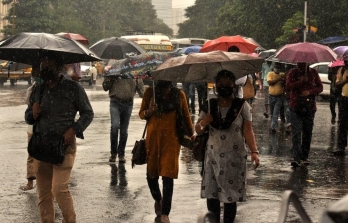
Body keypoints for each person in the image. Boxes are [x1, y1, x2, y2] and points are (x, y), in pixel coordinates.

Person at [25, 54, 94, 222]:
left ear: (58, 68)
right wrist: (32, 113)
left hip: (64, 145)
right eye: (42, 66)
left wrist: (74, 129)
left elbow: (88, 113)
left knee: (59, 189)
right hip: (42, 146)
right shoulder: (37, 90)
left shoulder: (73, 88)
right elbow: (28, 117)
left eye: (48, 66)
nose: (44, 70)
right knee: (44, 193)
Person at [195, 70, 260, 223]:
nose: (224, 87)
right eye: (221, 84)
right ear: (216, 86)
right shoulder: (209, 105)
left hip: (234, 157)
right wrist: (204, 122)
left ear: (233, 85)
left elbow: (248, 130)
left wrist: (254, 151)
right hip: (213, 157)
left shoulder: (242, 106)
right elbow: (197, 129)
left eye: (228, 84)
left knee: (230, 196)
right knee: (212, 195)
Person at [139, 80, 193, 223]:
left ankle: (165, 212)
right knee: (151, 174)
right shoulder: (150, 92)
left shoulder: (179, 94)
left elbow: (186, 116)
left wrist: (192, 134)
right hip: (153, 139)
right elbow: (141, 113)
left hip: (172, 140)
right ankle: (158, 198)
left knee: (167, 175)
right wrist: (149, 111)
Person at [286, 63, 323, 167]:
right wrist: (300, 82)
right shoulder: (293, 72)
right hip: (295, 106)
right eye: (298, 62)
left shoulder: (313, 72)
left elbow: (320, 88)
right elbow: (288, 86)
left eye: (302, 62)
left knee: (307, 132)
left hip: (309, 107)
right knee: (296, 133)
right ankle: (296, 157)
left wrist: (310, 91)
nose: (300, 64)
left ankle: (304, 156)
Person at [105, 75, 144, 163]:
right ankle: (113, 153)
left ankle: (121, 154)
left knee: (124, 130)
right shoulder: (114, 71)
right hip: (115, 102)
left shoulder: (134, 72)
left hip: (128, 103)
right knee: (114, 127)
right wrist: (111, 79)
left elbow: (141, 90)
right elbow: (105, 87)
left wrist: (147, 96)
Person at [20, 64, 41, 191]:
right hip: (33, 127)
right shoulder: (33, 89)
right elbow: (28, 111)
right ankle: (30, 181)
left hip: (48, 128)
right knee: (31, 153)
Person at [267, 63, 290, 132]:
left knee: (275, 112)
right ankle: (273, 124)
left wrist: (284, 79)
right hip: (271, 96)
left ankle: (273, 126)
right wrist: (279, 79)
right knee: (272, 112)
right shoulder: (270, 74)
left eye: (278, 67)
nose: (277, 69)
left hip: (279, 97)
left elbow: (286, 81)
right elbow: (270, 82)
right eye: (276, 67)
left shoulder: (282, 74)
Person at [334, 61, 348, 155]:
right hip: (345, 99)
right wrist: (346, 81)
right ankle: (341, 147)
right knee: (343, 123)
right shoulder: (341, 70)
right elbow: (337, 84)